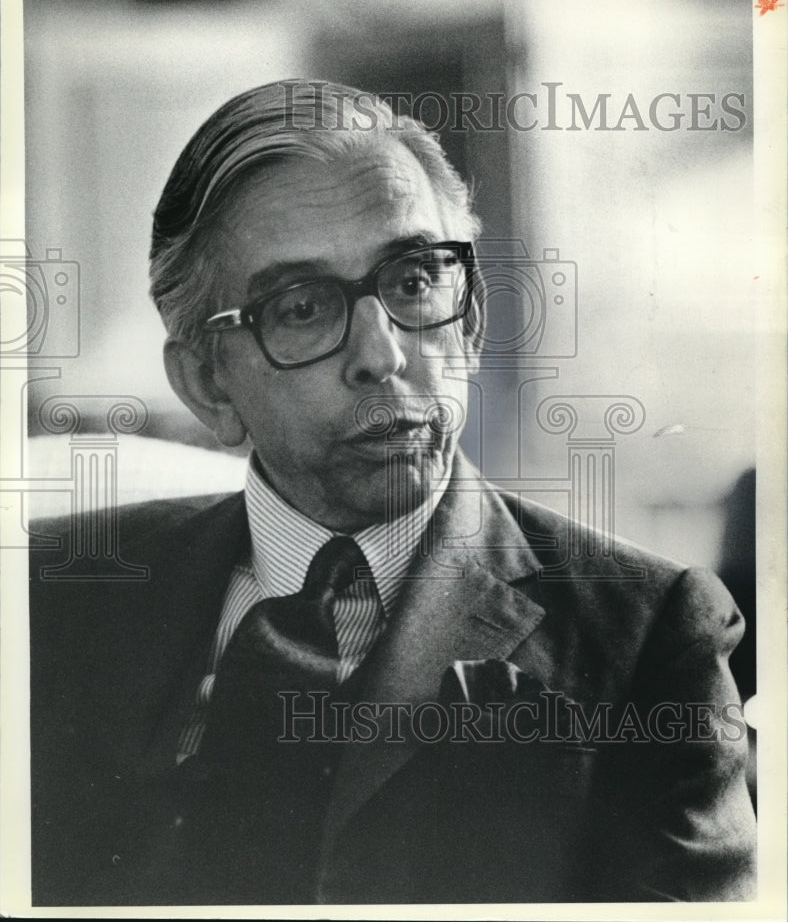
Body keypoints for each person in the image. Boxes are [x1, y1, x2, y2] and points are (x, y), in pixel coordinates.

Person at [29, 80, 756, 907]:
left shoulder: (647, 633)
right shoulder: (48, 593)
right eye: (301, 307)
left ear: (472, 318)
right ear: (207, 382)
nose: (384, 356)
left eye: (414, 282)